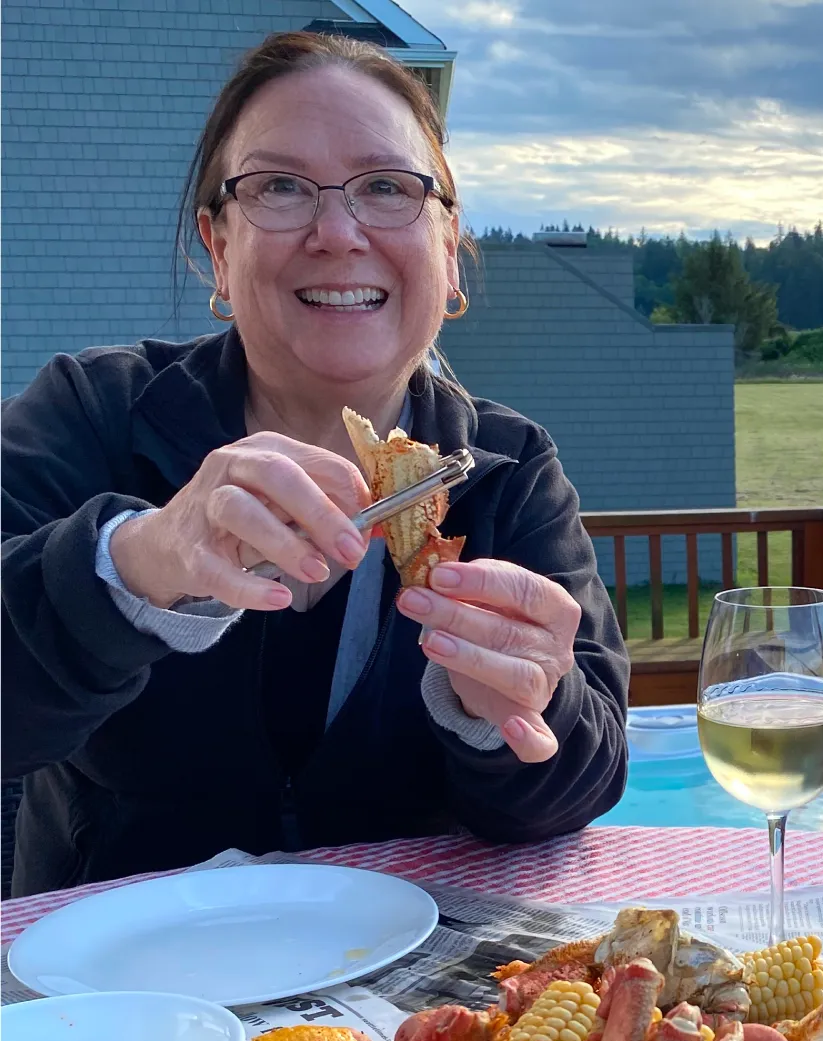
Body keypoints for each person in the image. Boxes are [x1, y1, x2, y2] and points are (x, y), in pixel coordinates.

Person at [0, 32, 630, 895]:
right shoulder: (90, 413)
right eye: (280, 188)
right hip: (117, 997)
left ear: (450, 254)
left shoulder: (505, 469)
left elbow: (578, 787)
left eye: (386, 188)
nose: (337, 232)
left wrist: (513, 714)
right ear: (218, 250)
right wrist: (136, 563)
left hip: (407, 999)